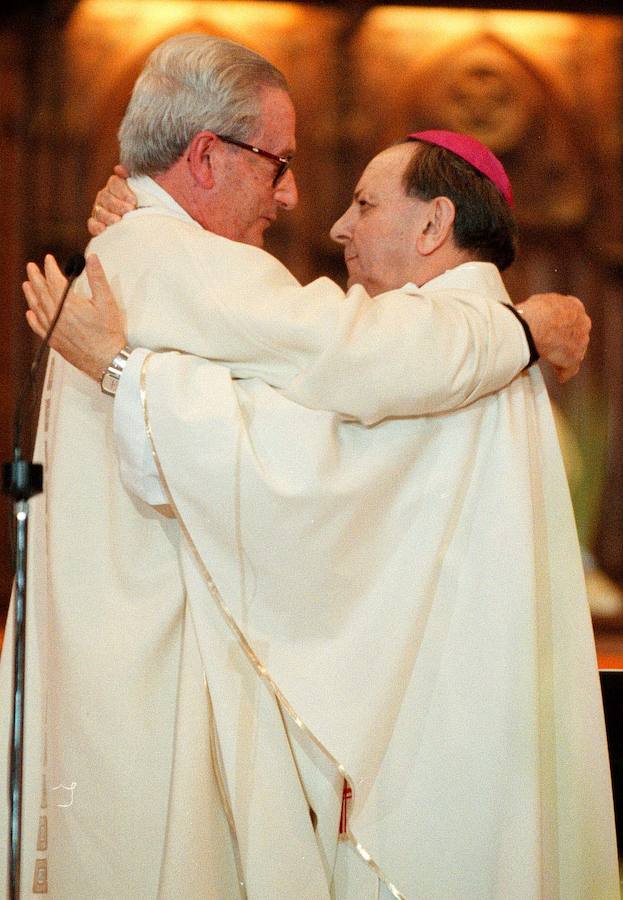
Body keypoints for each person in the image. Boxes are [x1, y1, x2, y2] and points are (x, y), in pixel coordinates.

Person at [2, 32, 600, 899]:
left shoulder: (135, 254)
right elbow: (354, 363)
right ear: (205, 155)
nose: (294, 201)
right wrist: (522, 328)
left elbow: (278, 436)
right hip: (155, 688)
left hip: (121, 675)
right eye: (276, 163)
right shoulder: (165, 257)